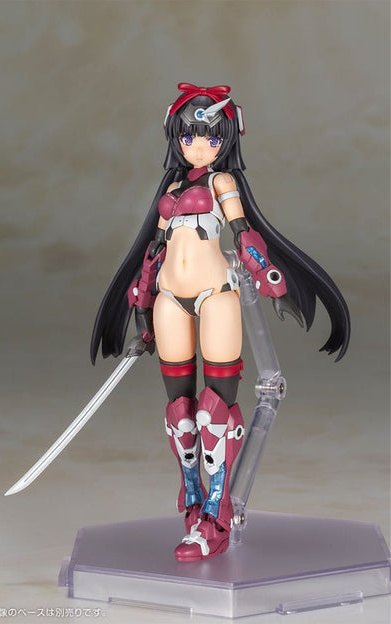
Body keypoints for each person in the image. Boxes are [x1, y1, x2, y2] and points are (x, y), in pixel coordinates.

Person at [90, 83, 350, 562]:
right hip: (170, 298)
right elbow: (154, 250)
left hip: (215, 295)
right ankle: (193, 504)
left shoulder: (221, 183)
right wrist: (142, 300)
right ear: (175, 137)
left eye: (211, 137)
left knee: (214, 413)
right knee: (180, 415)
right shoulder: (170, 190)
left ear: (227, 140)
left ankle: (218, 513)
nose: (198, 145)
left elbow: (243, 232)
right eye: (188, 136)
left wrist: (267, 275)